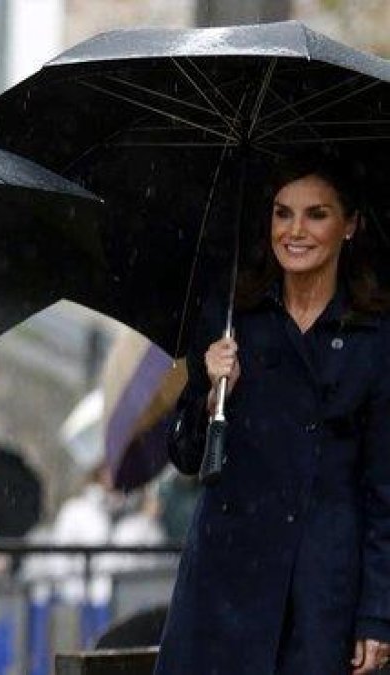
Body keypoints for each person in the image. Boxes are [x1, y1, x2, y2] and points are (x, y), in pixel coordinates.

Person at [157, 156, 390, 674]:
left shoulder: (374, 336)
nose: (295, 231)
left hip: (321, 586)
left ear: (350, 225)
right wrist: (212, 393)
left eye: (316, 214)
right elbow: (185, 454)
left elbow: (383, 487)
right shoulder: (232, 316)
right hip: (225, 578)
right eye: (283, 213)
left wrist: (377, 613)